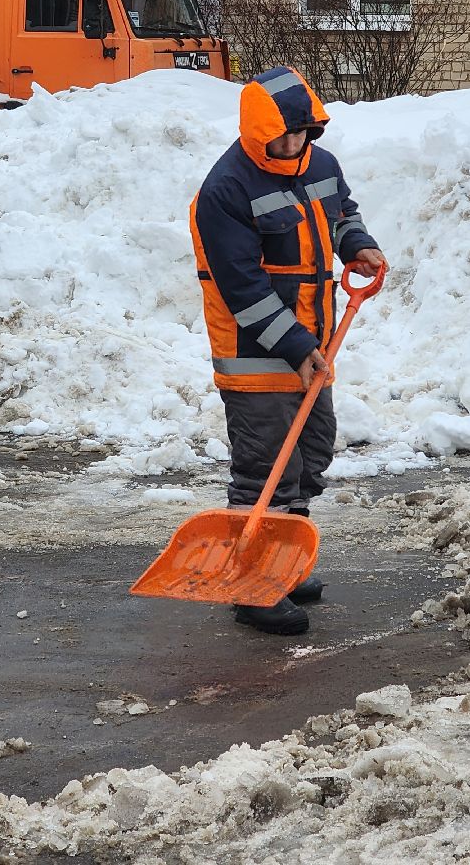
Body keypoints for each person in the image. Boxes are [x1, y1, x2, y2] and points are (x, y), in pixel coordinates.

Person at [189, 66, 386, 636]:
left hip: (311, 344)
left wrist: (359, 245)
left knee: (310, 454)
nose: (294, 146)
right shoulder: (226, 189)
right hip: (256, 351)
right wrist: (296, 346)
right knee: (265, 469)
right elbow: (240, 285)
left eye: (303, 134)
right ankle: (254, 585)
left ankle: (285, 560)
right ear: (257, 132)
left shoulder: (318, 165)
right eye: (283, 136)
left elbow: (341, 212)